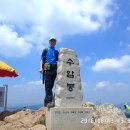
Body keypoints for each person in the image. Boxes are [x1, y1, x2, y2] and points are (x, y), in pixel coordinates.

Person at [40, 37, 59, 107]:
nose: (53, 42)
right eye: (51, 41)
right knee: (48, 85)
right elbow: (42, 59)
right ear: (49, 42)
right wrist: (40, 68)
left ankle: (46, 101)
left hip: (55, 68)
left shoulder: (56, 52)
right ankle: (49, 101)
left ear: (55, 43)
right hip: (47, 68)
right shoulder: (46, 50)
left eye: (54, 41)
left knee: (51, 85)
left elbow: (59, 60)